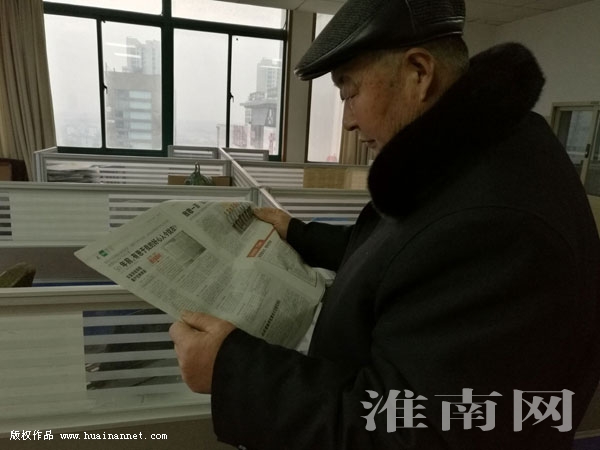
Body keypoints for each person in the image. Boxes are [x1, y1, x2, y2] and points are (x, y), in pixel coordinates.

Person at [169, 0, 600, 448]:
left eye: (349, 92)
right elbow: (405, 256)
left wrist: (233, 372)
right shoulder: (480, 154)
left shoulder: (495, 226)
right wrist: (298, 233)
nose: (348, 122)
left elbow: (412, 432)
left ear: (419, 73)